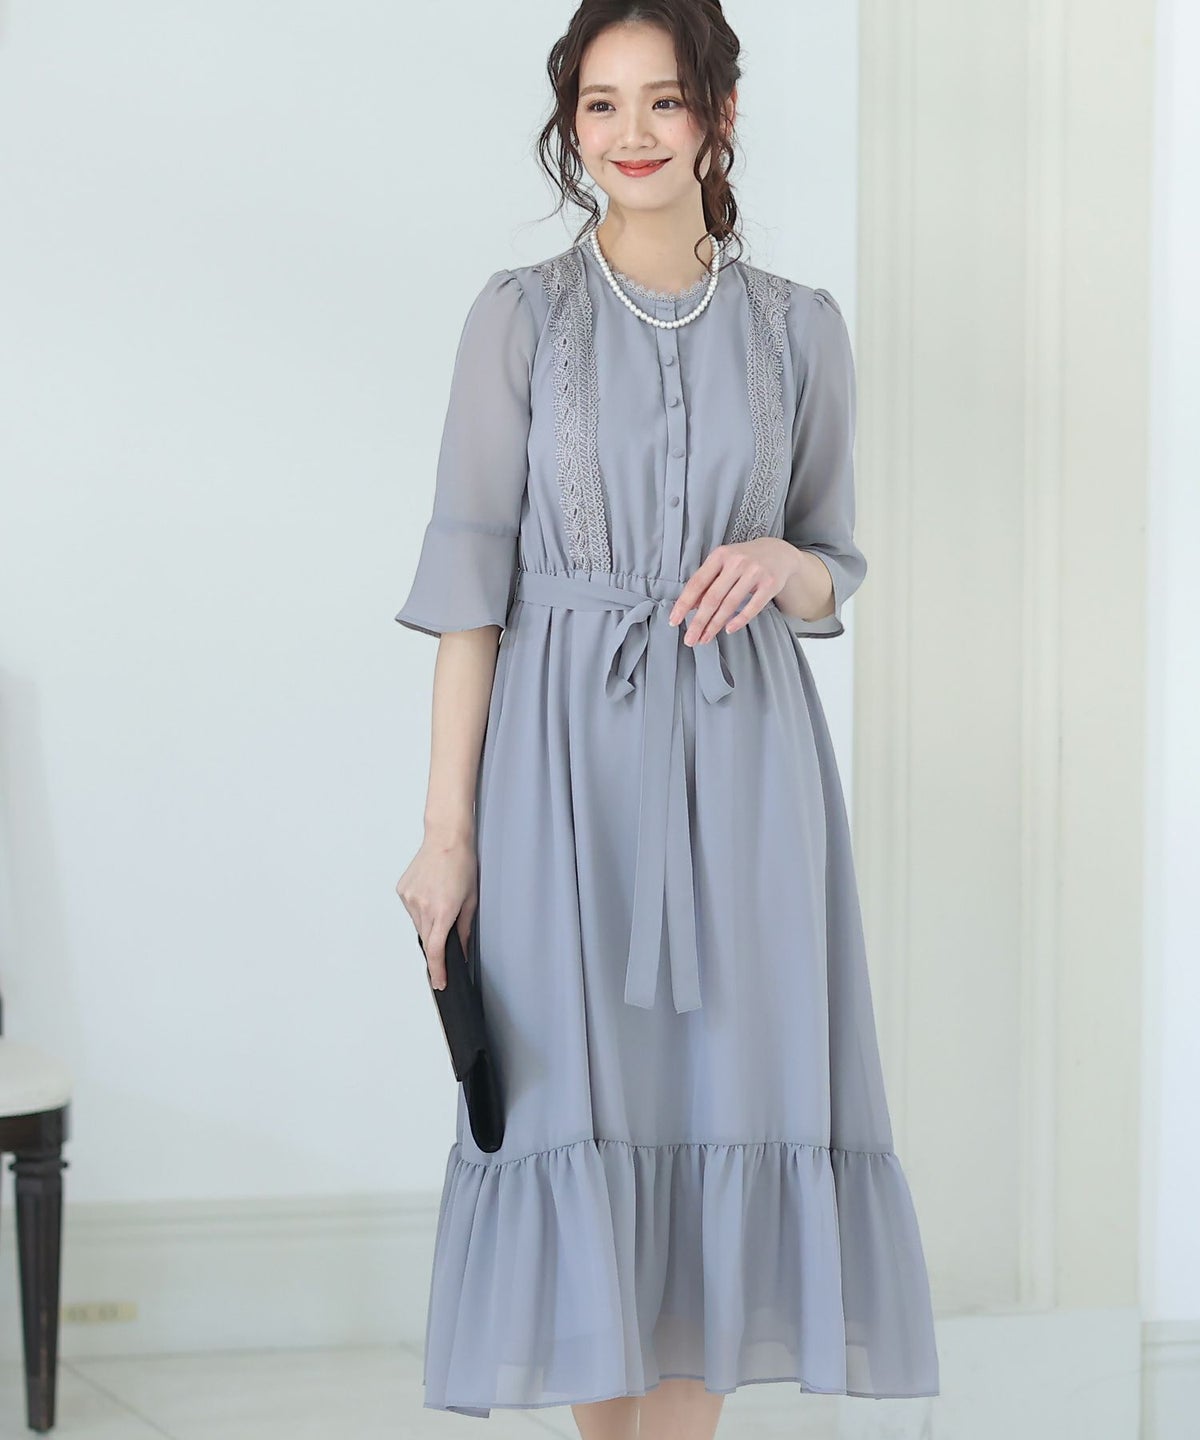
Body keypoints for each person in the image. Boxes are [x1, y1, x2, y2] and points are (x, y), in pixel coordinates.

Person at [394, 2, 940, 1434]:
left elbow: (834, 559)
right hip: (562, 781)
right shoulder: (519, 319)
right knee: (584, 1125)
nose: (631, 133)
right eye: (600, 104)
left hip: (749, 769)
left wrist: (780, 562)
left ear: (721, 114)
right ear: (570, 124)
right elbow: (470, 594)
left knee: (718, 1126)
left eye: (663, 99)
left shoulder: (800, 327)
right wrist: (446, 838)